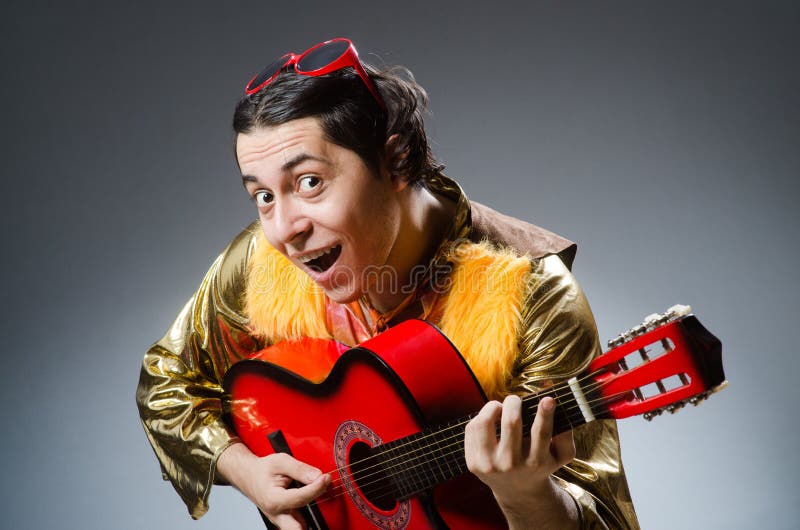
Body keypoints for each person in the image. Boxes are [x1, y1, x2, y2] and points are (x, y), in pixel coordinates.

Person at [136, 38, 639, 529]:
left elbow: (605, 518)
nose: (285, 228)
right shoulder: (263, 261)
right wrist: (244, 469)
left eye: (309, 182)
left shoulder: (532, 297)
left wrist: (528, 494)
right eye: (263, 196)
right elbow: (168, 378)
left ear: (394, 161)